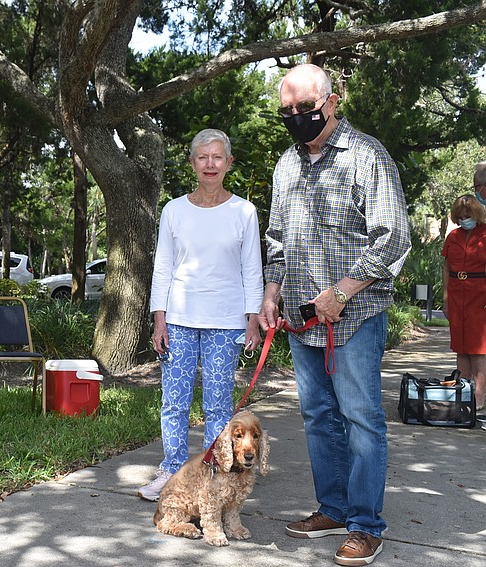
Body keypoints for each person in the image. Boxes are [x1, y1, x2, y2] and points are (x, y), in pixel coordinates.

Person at [260, 64, 410, 567]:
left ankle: (366, 526)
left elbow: (393, 238)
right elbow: (277, 240)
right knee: (318, 417)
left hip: (356, 315)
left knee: (361, 419)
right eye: (288, 112)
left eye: (306, 107)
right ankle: (334, 509)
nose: (297, 118)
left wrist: (342, 293)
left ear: (332, 100)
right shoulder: (286, 165)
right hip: (303, 320)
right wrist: (270, 295)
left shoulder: (368, 155)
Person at [139, 128, 263, 501]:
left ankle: (214, 476)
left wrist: (252, 319)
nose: (210, 164)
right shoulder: (174, 210)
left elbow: (251, 269)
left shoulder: (244, 211)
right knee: (174, 401)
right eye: (203, 157)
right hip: (178, 320)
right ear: (193, 163)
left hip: (225, 323)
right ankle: (173, 471)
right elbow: (162, 268)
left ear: (228, 163)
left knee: (218, 405)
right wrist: (159, 318)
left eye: (217, 157)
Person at [441, 194, 486, 411]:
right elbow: (447, 269)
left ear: (476, 213)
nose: (464, 218)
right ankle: (464, 392)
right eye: (461, 215)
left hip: (480, 294)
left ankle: (479, 397)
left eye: (468, 215)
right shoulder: (453, 237)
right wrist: (446, 299)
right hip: (457, 294)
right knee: (460, 347)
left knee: (479, 349)